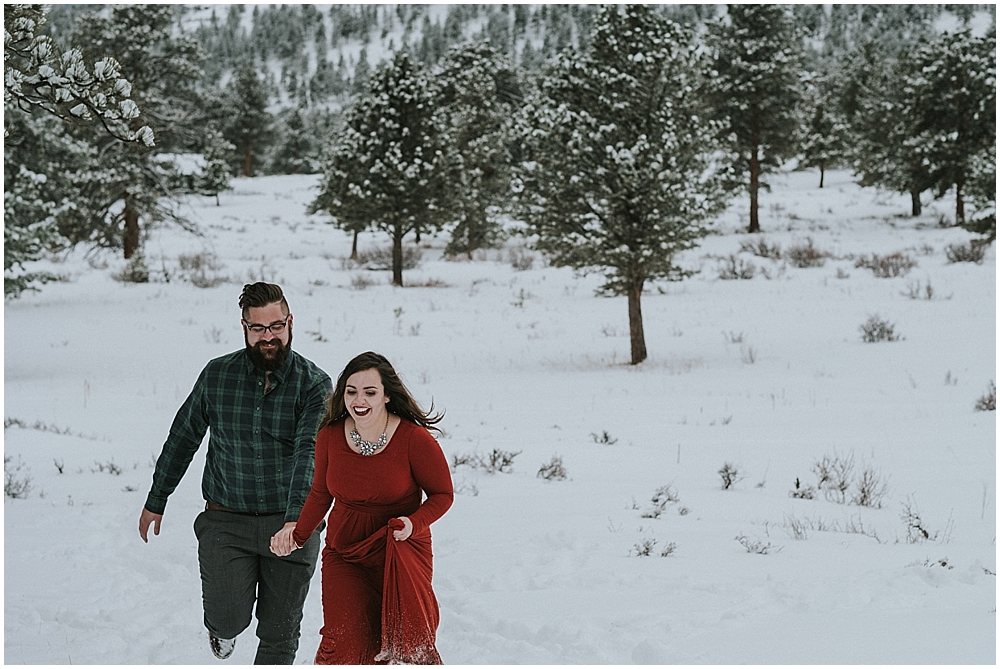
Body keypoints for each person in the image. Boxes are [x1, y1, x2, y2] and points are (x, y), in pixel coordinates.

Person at [138, 282, 333, 664]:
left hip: (290, 523)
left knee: (280, 633)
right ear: (243, 328)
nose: (268, 338)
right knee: (228, 617)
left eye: (276, 327)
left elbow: (308, 453)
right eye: (258, 329)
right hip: (227, 520)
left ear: (290, 323)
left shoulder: (314, 384)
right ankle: (222, 632)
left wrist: (296, 519)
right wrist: (157, 498)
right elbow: (183, 437)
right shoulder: (217, 375)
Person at [270, 351, 454, 665]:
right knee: (344, 638)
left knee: (402, 645)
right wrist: (297, 535)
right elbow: (320, 493)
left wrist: (413, 523)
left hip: (399, 548)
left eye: (370, 392)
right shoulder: (329, 436)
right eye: (352, 391)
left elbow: (442, 494)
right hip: (345, 551)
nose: (360, 400)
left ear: (386, 396)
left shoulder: (414, 439)